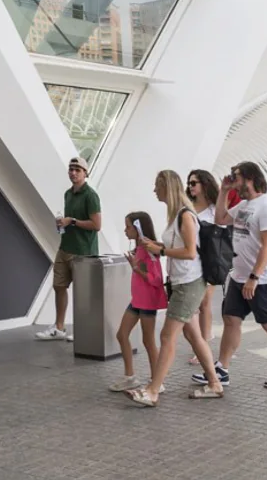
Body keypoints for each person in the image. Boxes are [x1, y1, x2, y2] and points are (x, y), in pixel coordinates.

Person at [196, 161, 267, 391]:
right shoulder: (244, 205)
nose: (234, 180)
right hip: (239, 276)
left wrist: (255, 276)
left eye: (237, 176)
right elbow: (220, 220)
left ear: (250, 178)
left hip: (261, 279)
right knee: (231, 319)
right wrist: (223, 191)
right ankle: (221, 369)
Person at [128, 170, 223, 407]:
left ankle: (153, 390)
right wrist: (156, 245)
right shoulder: (176, 215)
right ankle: (214, 383)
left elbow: (190, 252)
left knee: (167, 336)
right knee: (192, 334)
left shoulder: (185, 216)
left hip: (189, 284)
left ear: (166, 187)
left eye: (156, 186)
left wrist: (160, 251)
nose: (154, 191)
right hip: (181, 282)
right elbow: (178, 246)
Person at [35, 157, 101, 342]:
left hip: (83, 251)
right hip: (65, 247)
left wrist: (72, 221)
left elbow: (97, 225)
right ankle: (59, 327)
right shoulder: (68, 194)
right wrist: (62, 223)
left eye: (77, 169)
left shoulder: (91, 195)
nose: (73, 172)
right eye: (71, 169)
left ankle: (85, 329)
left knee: (83, 292)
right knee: (59, 286)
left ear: (85, 173)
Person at [109, 212, 165, 393]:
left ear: (138, 228)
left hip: (147, 301)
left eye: (128, 227)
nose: (125, 230)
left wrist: (135, 267)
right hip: (138, 300)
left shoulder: (149, 249)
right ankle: (130, 377)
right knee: (122, 334)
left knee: (148, 340)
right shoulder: (140, 249)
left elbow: (156, 279)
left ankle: (157, 381)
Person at [186, 169, 221, 362]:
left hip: (209, 260)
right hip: (189, 261)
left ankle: (203, 344)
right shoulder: (188, 208)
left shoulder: (215, 210)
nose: (190, 187)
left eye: (194, 183)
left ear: (204, 185)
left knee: (204, 302)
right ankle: (201, 339)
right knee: (195, 305)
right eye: (189, 183)